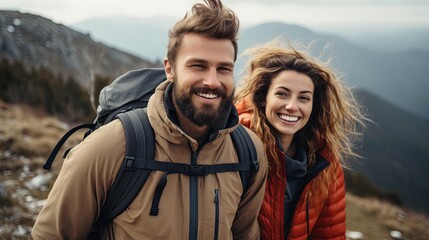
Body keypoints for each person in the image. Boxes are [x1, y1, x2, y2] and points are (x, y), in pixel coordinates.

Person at [31, 0, 268, 239]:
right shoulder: (112, 147)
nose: (212, 81)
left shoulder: (248, 153)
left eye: (224, 69)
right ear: (170, 69)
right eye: (198, 66)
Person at [235, 43, 367, 239]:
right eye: (282, 94)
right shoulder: (236, 145)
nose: (291, 106)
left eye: (304, 98)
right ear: (263, 98)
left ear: (314, 105)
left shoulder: (325, 162)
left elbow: (329, 233)